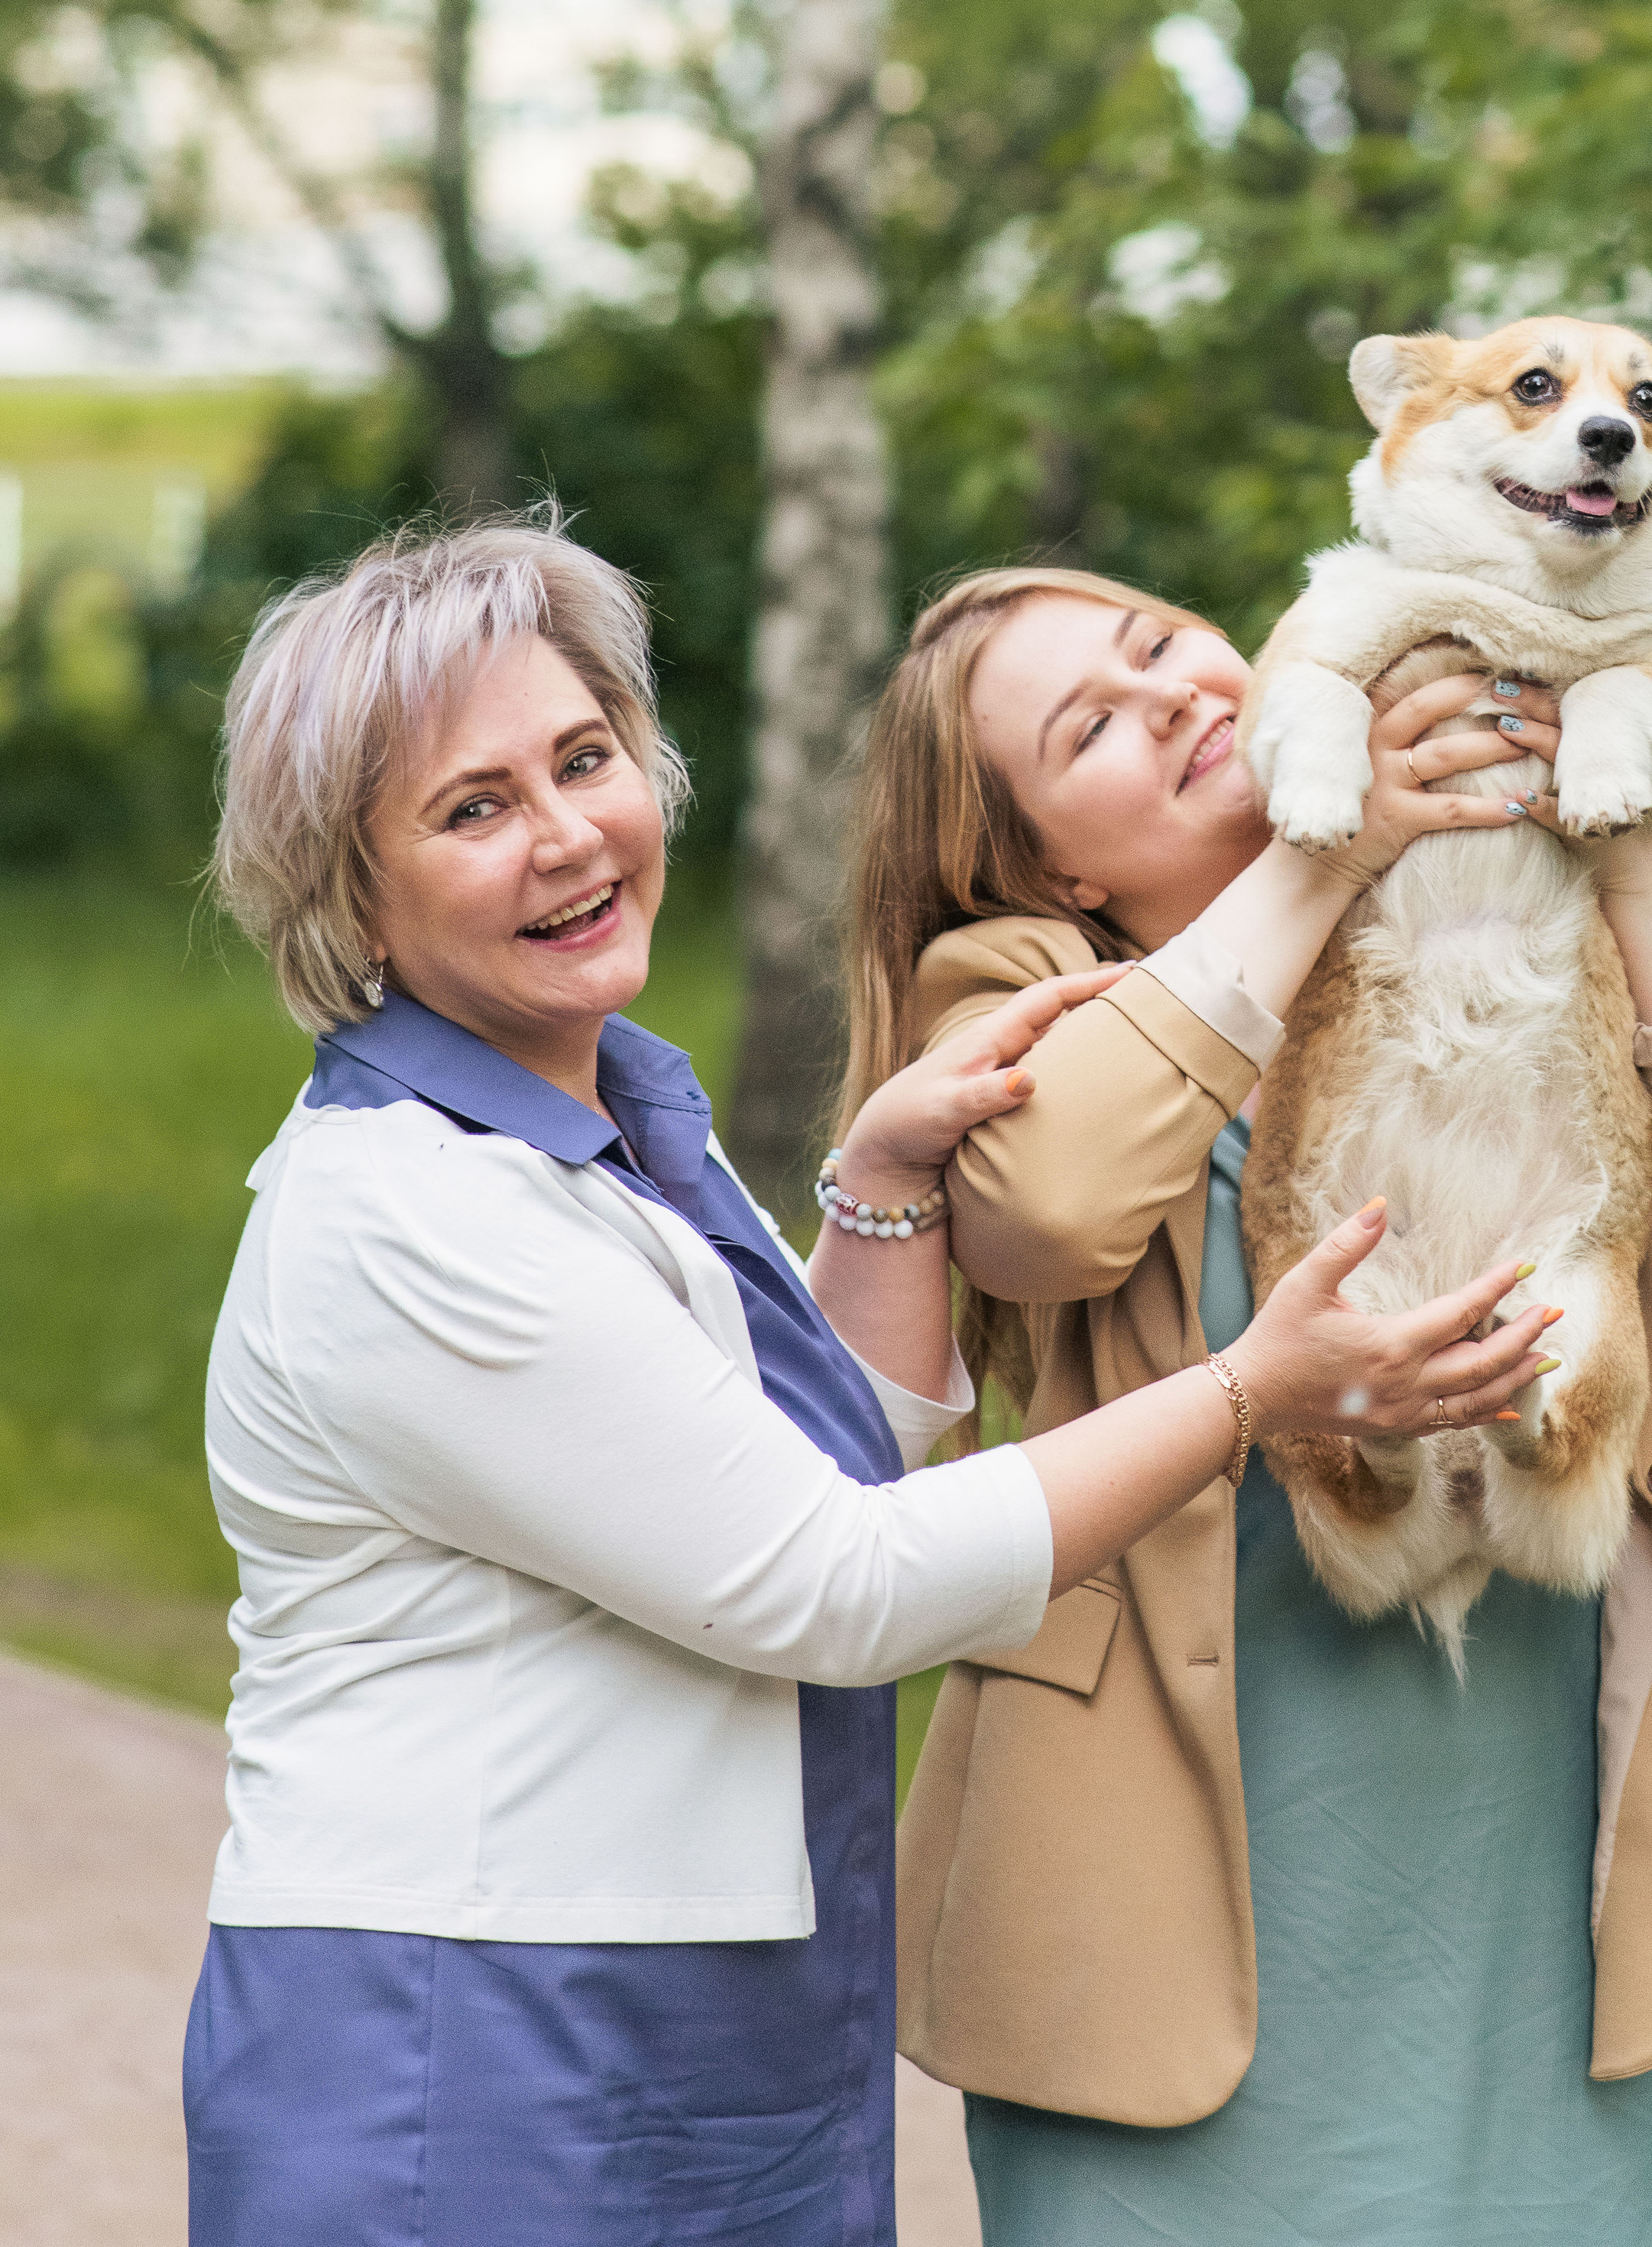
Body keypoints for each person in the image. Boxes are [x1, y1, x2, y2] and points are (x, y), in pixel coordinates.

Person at [183, 520, 1560, 2247]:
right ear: (348, 890)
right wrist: (1246, 1393)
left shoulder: (603, 1139)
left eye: (586, 760)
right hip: (467, 2026)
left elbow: (829, 1469)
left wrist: (886, 1187)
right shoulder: (415, 1211)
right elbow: (833, 1583)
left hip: (689, 1992)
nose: (566, 836)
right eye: (472, 810)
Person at [850, 564, 1652, 2245]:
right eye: (1092, 727)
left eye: (1160, 648)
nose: (1176, 698)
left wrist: (1615, 846)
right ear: (1052, 860)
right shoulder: (1013, 975)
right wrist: (1313, 858)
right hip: (1166, 1887)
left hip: (1532, 1865)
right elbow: (1042, 1217)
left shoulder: (1507, 931)